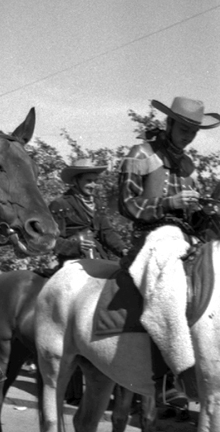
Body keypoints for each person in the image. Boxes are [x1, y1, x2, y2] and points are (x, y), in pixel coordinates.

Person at [118, 96, 220, 407]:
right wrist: (168, 203)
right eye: (184, 128)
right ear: (170, 123)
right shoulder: (140, 153)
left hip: (184, 238)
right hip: (152, 237)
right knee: (171, 280)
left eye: (194, 131)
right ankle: (173, 373)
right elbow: (126, 204)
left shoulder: (188, 165)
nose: (189, 136)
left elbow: (193, 218)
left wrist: (204, 213)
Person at [49, 158, 128, 404]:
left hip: (99, 260)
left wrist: (125, 251)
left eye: (95, 181)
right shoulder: (60, 205)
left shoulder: (97, 205)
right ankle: (71, 387)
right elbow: (51, 241)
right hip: (73, 264)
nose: (93, 185)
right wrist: (74, 245)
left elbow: (107, 234)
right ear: (76, 181)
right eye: (89, 181)